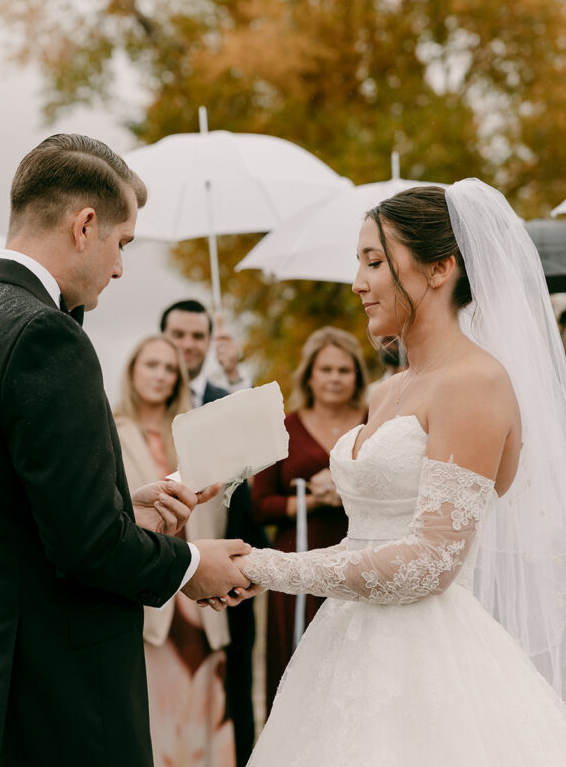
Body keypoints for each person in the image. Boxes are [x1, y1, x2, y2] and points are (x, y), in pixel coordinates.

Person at [0, 134, 253, 767]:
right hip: (57, 700)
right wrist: (188, 563)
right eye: (122, 243)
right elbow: (85, 546)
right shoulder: (45, 335)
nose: (121, 268)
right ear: (84, 226)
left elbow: (7, 513)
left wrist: (121, 503)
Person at [230, 180, 566, 766]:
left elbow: (431, 561)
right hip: (342, 642)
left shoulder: (475, 383)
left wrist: (266, 566)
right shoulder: (385, 392)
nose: (358, 283)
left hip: (428, 661)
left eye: (374, 262)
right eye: (357, 264)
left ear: (440, 269)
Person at [115, 334, 236, 767]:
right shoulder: (110, 429)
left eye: (170, 369)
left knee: (207, 710)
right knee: (156, 714)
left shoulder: (190, 432)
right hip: (149, 590)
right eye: (152, 365)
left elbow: (219, 510)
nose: (161, 375)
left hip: (197, 582)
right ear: (132, 370)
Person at [161, 298, 267, 766]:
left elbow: (256, 465)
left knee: (231, 688)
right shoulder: (139, 407)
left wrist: (236, 379)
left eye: (197, 336)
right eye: (178, 335)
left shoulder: (220, 402)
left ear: (209, 342)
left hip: (224, 564)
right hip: (162, 573)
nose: (187, 344)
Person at [250, 327, 368, 713]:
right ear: (310, 376)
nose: (334, 378)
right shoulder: (284, 427)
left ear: (357, 376)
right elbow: (260, 504)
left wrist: (348, 489)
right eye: (326, 369)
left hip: (362, 558)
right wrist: (311, 501)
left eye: (344, 370)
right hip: (299, 558)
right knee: (300, 668)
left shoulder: (376, 421)